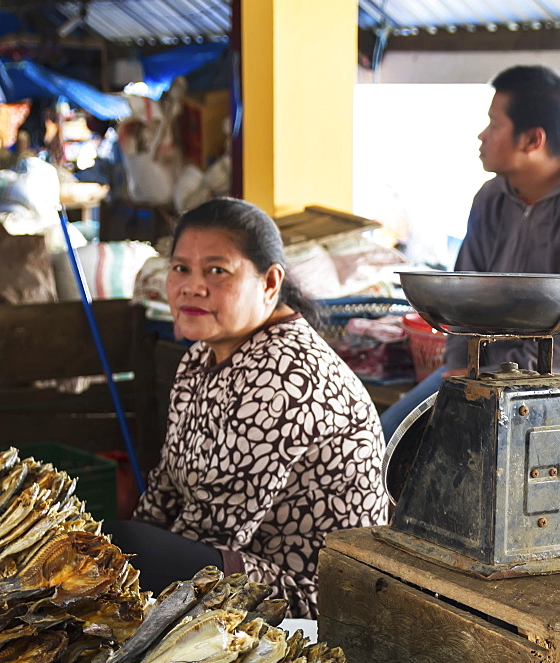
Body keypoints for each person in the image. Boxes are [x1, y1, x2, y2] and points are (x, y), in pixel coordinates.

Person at [108, 198, 387, 618]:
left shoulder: (288, 377)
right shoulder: (202, 357)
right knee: (117, 546)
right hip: (237, 561)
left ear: (270, 283)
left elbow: (215, 527)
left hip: (314, 597)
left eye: (217, 271)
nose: (191, 286)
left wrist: (131, 565)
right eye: (181, 268)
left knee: (127, 553)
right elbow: (166, 487)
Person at [381, 64, 560, 441]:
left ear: (533, 140)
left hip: (551, 384)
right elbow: (465, 302)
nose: (482, 135)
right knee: (386, 439)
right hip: (479, 370)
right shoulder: (490, 198)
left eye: (494, 125)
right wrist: (460, 366)